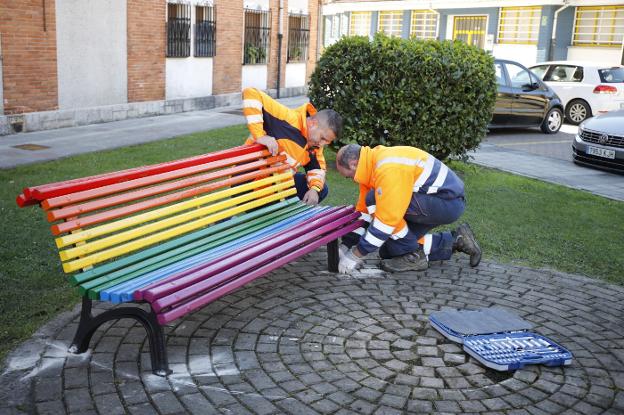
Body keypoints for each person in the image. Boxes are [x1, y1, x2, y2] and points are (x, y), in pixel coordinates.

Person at [335, 143, 481, 273]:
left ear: (353, 164)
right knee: (391, 250)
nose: (352, 180)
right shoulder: (371, 165)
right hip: (438, 200)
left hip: (447, 202)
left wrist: (355, 255)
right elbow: (364, 212)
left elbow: (387, 220)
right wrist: (346, 245)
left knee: (376, 201)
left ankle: (414, 256)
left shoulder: (387, 168)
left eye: (349, 176)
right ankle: (456, 240)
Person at [242, 88, 343, 205]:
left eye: (327, 142)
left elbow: (317, 168)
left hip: (275, 186)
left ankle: (293, 217)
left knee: (321, 189)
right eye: (323, 138)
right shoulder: (287, 118)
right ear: (313, 124)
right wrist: (260, 136)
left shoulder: (314, 145)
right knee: (283, 203)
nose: (322, 144)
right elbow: (251, 93)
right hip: (250, 184)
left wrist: (314, 190)